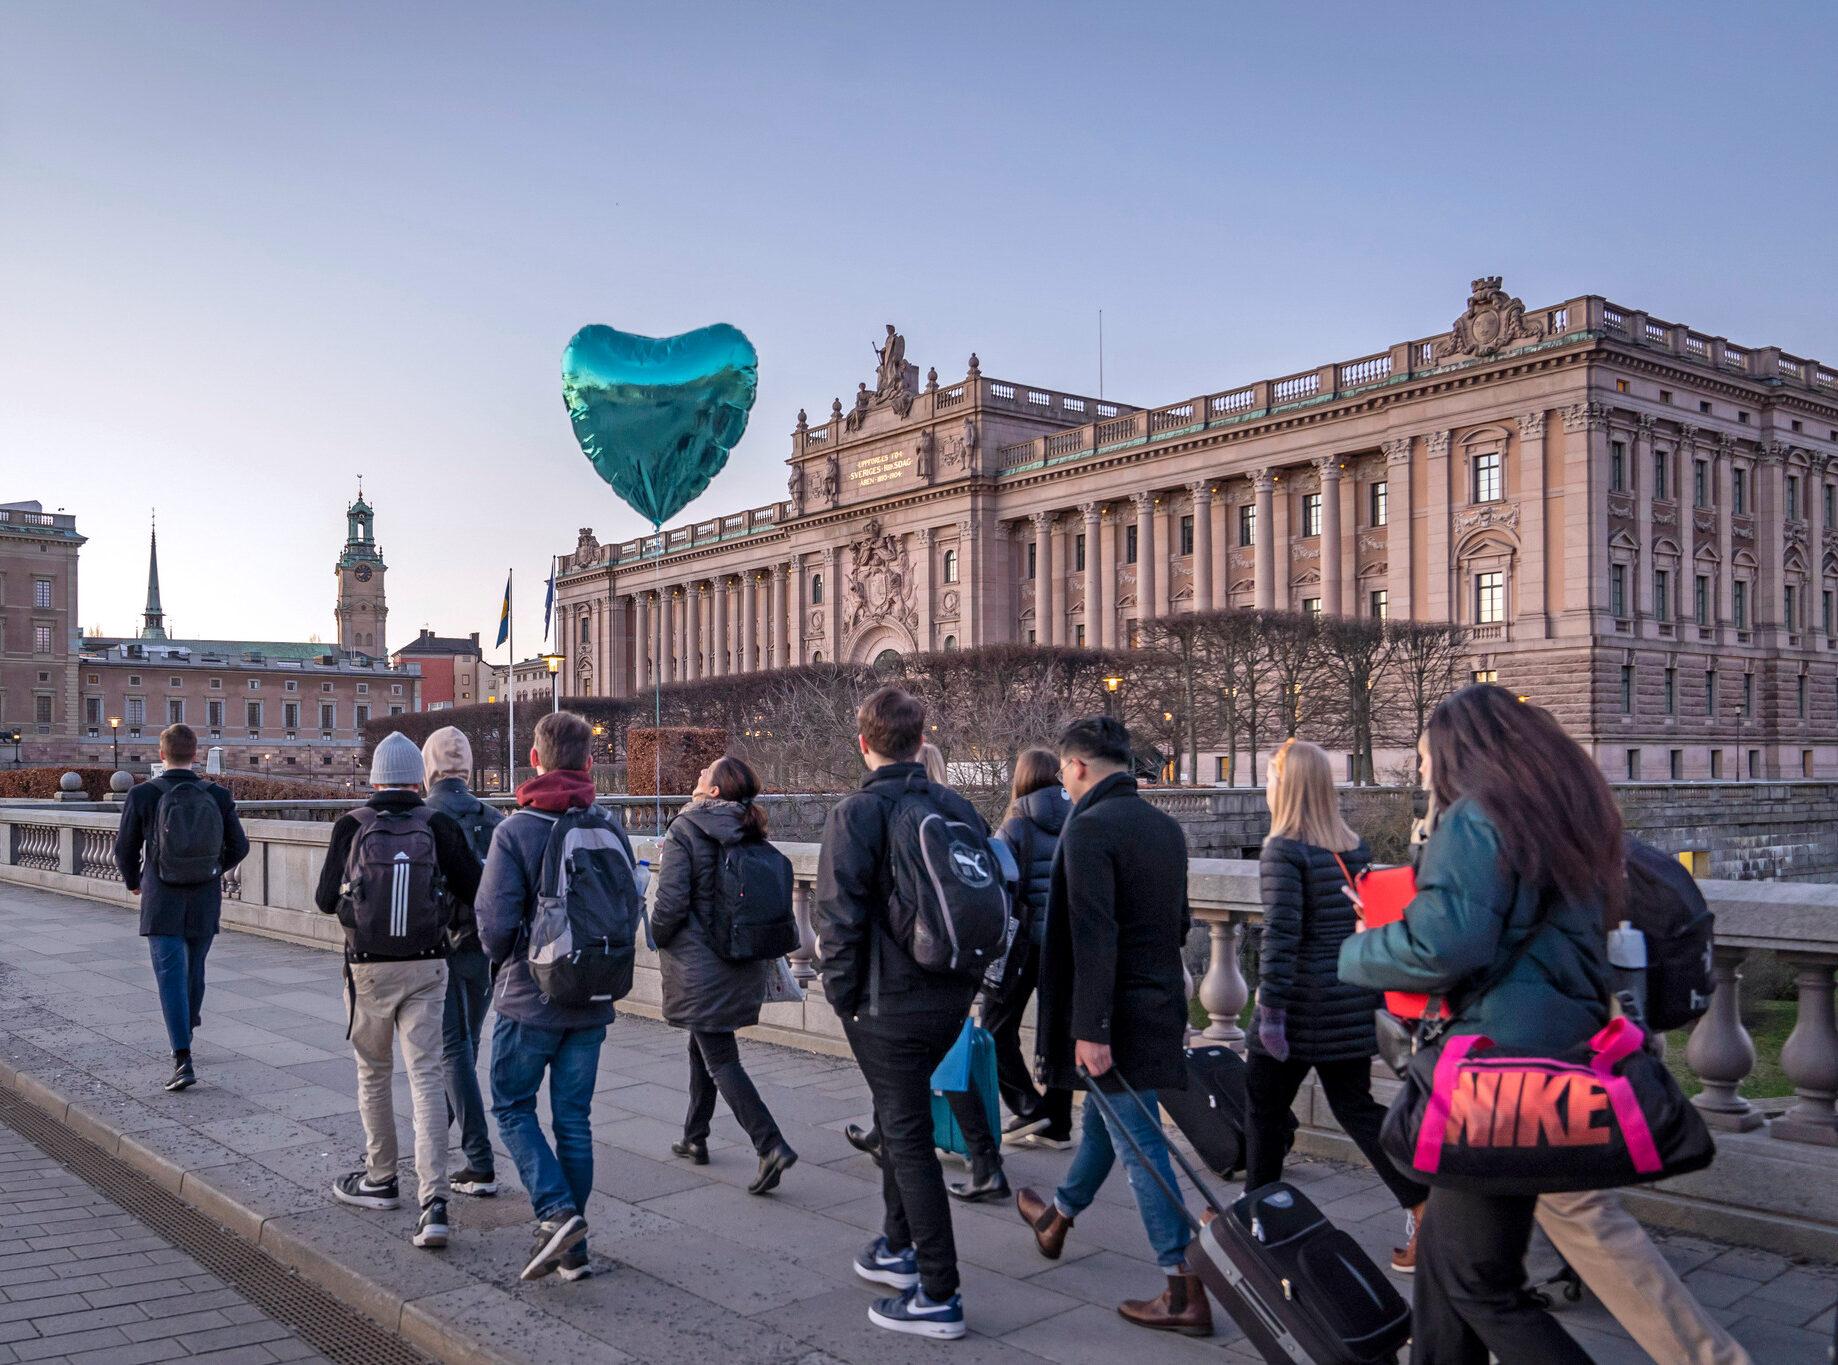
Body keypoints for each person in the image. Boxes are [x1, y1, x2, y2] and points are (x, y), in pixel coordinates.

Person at [1339, 684, 1618, 1364]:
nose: (1423, 769)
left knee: (1479, 1281)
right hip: (1548, 1056)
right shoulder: (1557, 817)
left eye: (1426, 754)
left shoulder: (1476, 818)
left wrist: (1356, 948)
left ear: (1458, 751)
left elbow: (1443, 944)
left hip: (1493, 1073)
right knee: (1444, 1269)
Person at [1017, 716, 1211, 1337]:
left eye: (1066, 775)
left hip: (1115, 1016)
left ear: (1075, 767)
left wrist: (1091, 1027)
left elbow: (1094, 940)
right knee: (1104, 1120)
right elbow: (1179, 922)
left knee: (1141, 1144)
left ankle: (1182, 1286)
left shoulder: (1089, 828)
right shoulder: (1164, 826)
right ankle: (1058, 1219)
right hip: (1159, 1002)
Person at [814, 687, 984, 1340]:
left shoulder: (858, 811)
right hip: (950, 995)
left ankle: (938, 1291)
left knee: (909, 1139)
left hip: (887, 1004)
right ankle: (895, 1244)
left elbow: (838, 916)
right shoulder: (956, 804)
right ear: (921, 739)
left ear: (864, 743)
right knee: (897, 1114)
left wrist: (843, 996)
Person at [1248, 739, 1429, 1270]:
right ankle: (1422, 1203)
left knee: (1262, 1109)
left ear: (1284, 785)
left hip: (1301, 1006)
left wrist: (1273, 1014)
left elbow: (1281, 939)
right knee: (1356, 1109)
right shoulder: (1353, 846)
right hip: (1349, 1001)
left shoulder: (1282, 850)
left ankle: (1259, 1219)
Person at [476, 710, 633, 1283]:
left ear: (535, 760)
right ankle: (575, 1250)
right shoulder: (609, 826)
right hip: (593, 995)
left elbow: (493, 927)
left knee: (513, 1106)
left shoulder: (515, 830)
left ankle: (557, 1212)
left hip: (530, 996)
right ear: (589, 762)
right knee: (574, 1120)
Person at [315, 730, 481, 1252]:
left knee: (374, 1075)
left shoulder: (352, 824)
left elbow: (324, 900)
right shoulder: (438, 822)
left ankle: (380, 1179)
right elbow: (475, 887)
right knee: (427, 1078)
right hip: (428, 965)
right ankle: (433, 1203)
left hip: (367, 967)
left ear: (373, 778)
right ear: (418, 777)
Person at [655, 754, 799, 1194]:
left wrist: (656, 934)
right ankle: (694, 1136)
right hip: (740, 957)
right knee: (706, 1042)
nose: (698, 774)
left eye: (705, 772)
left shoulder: (686, 828)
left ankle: (770, 1143)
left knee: (720, 1056)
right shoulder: (749, 830)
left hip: (700, 963)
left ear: (714, 791)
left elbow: (671, 902)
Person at [114, 723, 248, 1093]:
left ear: (162, 754)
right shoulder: (217, 796)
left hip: (162, 897)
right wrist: (213, 868)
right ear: (195, 753)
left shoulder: (143, 795)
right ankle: (187, 1025)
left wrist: (134, 881)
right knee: (195, 968)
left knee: (170, 974)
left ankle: (182, 1056)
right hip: (204, 896)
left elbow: (125, 848)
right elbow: (240, 846)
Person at [421, 726, 503, 1199]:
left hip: (443, 944)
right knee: (467, 1045)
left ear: (429, 766)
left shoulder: (426, 817)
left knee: (451, 1049)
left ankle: (479, 1160)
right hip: (484, 946)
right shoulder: (493, 816)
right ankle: (443, 1128)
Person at [990, 747, 1072, 1148]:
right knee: (1058, 1034)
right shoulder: (1079, 819)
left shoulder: (1016, 825)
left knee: (993, 1028)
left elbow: (1001, 889)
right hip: (1065, 944)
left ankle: (1028, 1108)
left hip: (1022, 946)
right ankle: (1058, 1123)